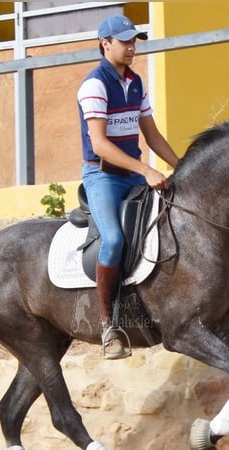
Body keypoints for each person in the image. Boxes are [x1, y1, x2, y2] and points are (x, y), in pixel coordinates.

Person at [77, 13, 180, 360]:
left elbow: (151, 135)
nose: (132, 47)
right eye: (125, 42)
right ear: (105, 43)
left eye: (134, 41)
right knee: (115, 240)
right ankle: (109, 327)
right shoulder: (94, 85)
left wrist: (181, 168)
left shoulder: (136, 83)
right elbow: (101, 144)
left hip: (133, 174)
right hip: (103, 176)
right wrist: (146, 170)